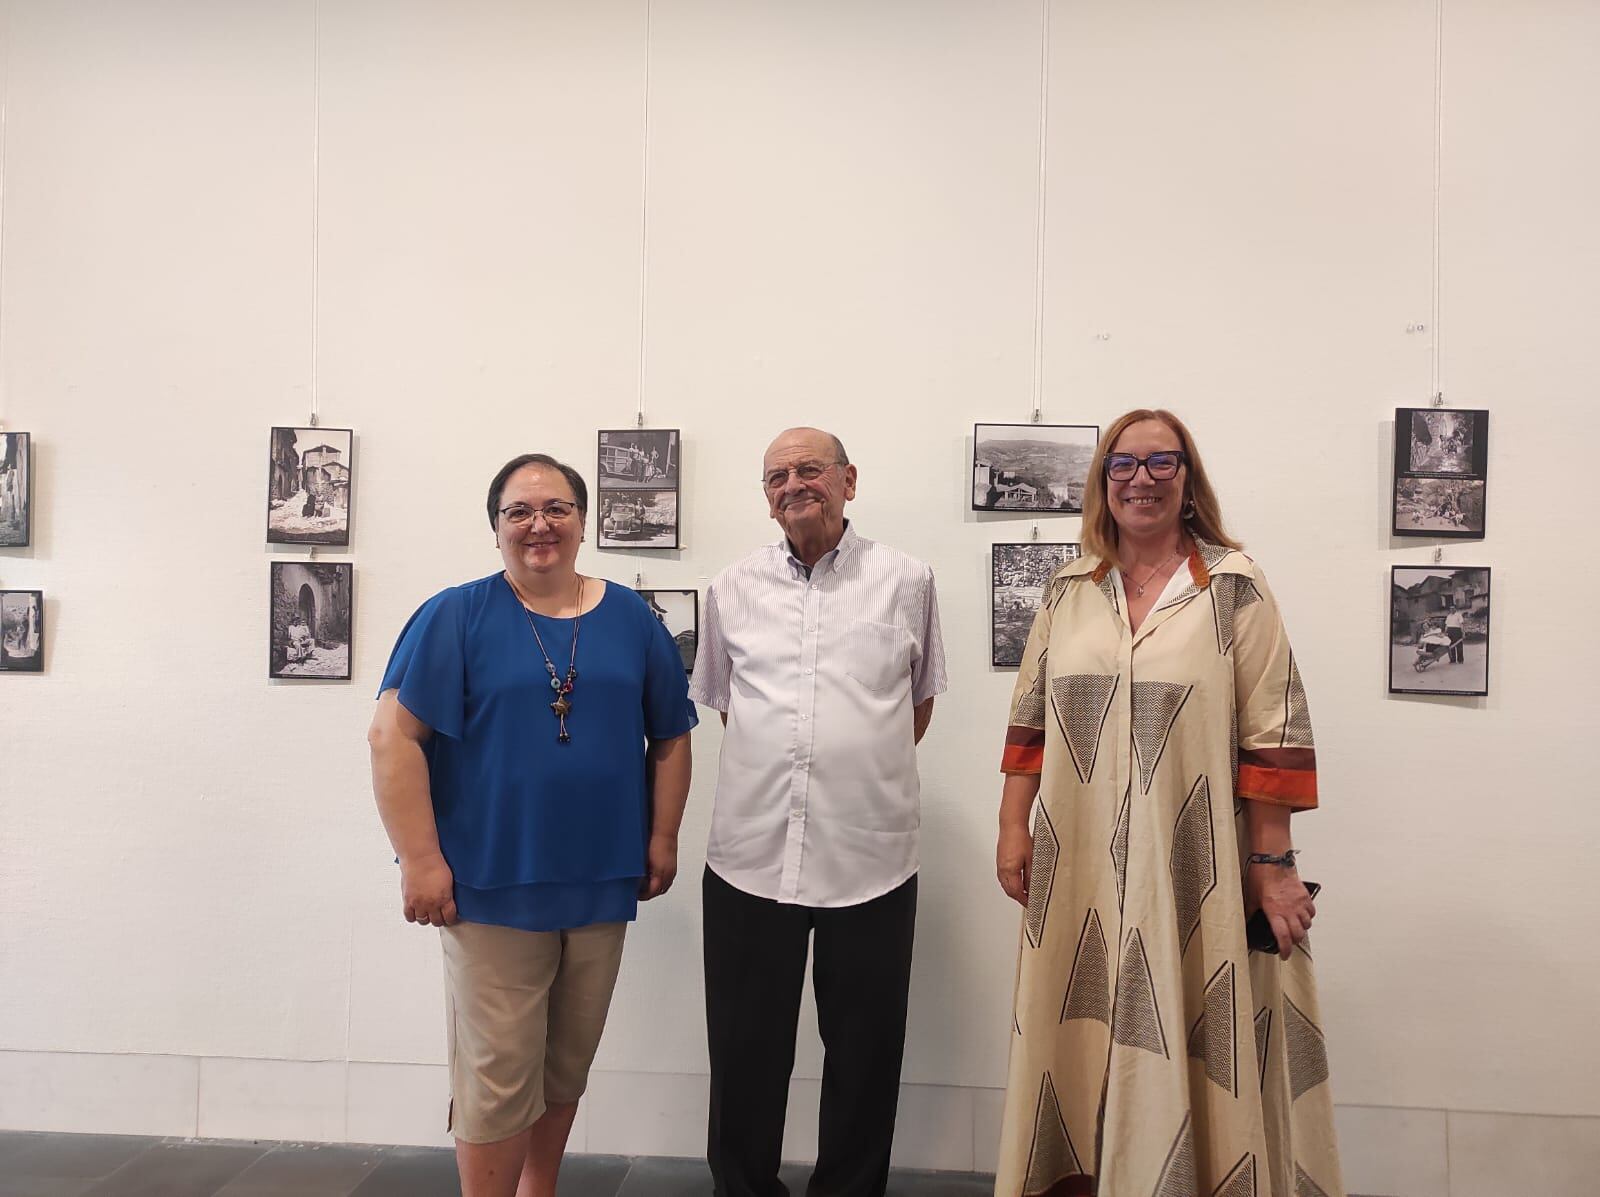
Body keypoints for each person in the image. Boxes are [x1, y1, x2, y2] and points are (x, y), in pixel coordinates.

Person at [992, 410, 1344, 1196]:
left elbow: (1273, 729)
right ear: (1102, 480)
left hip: (1195, 866)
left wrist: (1272, 863)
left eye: (1161, 462)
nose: (1141, 479)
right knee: (1075, 1029)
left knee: (1198, 1027)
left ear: (1187, 480)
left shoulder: (1233, 586)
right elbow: (1030, 720)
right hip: (1076, 860)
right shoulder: (1067, 590)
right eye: (1123, 464)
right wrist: (1013, 825)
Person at [367, 453, 696, 1197]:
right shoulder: (455, 614)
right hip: (490, 885)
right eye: (519, 511)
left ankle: (535, 1190)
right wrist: (420, 860)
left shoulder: (634, 620)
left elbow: (671, 734)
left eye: (555, 508)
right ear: (496, 530)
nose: (538, 524)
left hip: (602, 879)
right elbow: (392, 737)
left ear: (583, 521)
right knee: (498, 1070)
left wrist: (662, 837)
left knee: (565, 1061)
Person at [691, 427, 947, 1197]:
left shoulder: (908, 580)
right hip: (749, 855)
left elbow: (917, 702)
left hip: (871, 856)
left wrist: (848, 762)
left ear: (849, 480)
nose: (793, 484)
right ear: (765, 494)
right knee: (744, 1053)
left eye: (810, 469)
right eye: (776, 474)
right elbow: (732, 705)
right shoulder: (729, 588)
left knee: (867, 1052)